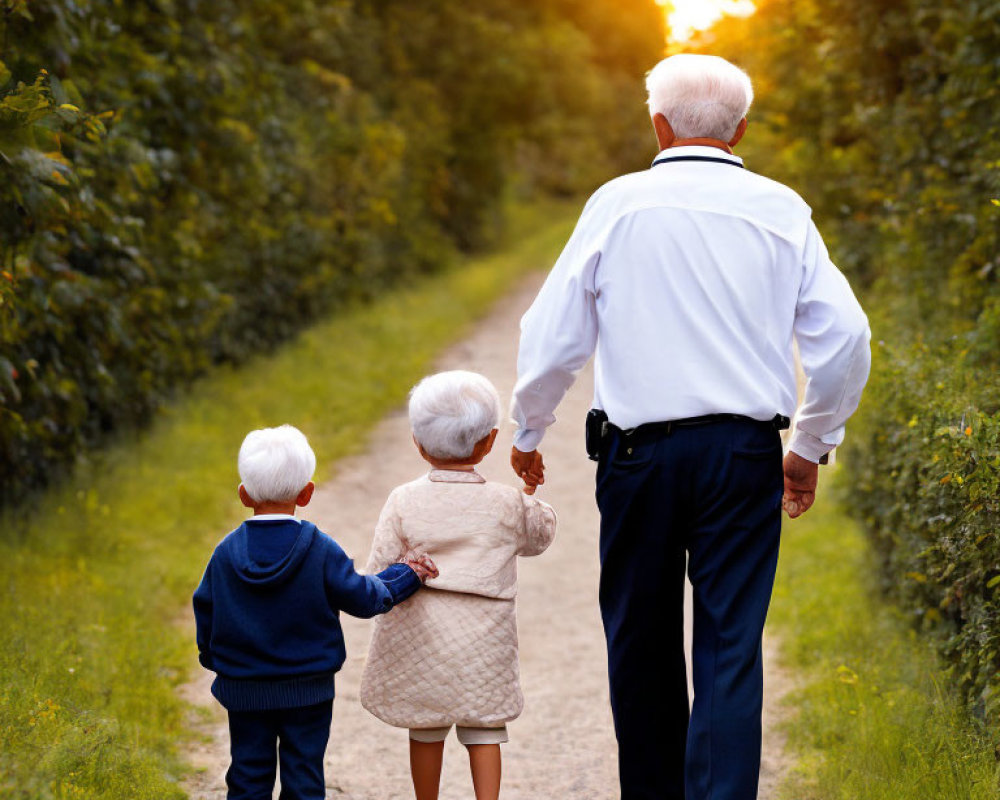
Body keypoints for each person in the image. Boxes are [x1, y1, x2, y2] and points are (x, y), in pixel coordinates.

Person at [510, 53, 871, 800]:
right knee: (730, 647)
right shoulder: (782, 210)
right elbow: (846, 341)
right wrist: (806, 447)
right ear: (741, 129)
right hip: (743, 455)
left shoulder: (617, 204)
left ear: (658, 123)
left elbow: (554, 336)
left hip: (638, 457)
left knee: (640, 643)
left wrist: (527, 429)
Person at [193, 424, 438, 800]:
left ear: (243, 495)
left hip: (243, 688)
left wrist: (219, 662)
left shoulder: (226, 552)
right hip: (308, 689)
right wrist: (406, 576)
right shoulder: (320, 549)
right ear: (306, 493)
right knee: (304, 775)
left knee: (247, 773)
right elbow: (363, 598)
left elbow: (205, 608)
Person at [360, 370, 557, 800]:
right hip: (483, 642)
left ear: (417, 441)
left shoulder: (403, 500)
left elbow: (379, 568)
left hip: (421, 640)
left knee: (426, 728)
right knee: (485, 728)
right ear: (488, 442)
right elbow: (538, 536)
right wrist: (527, 489)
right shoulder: (504, 502)